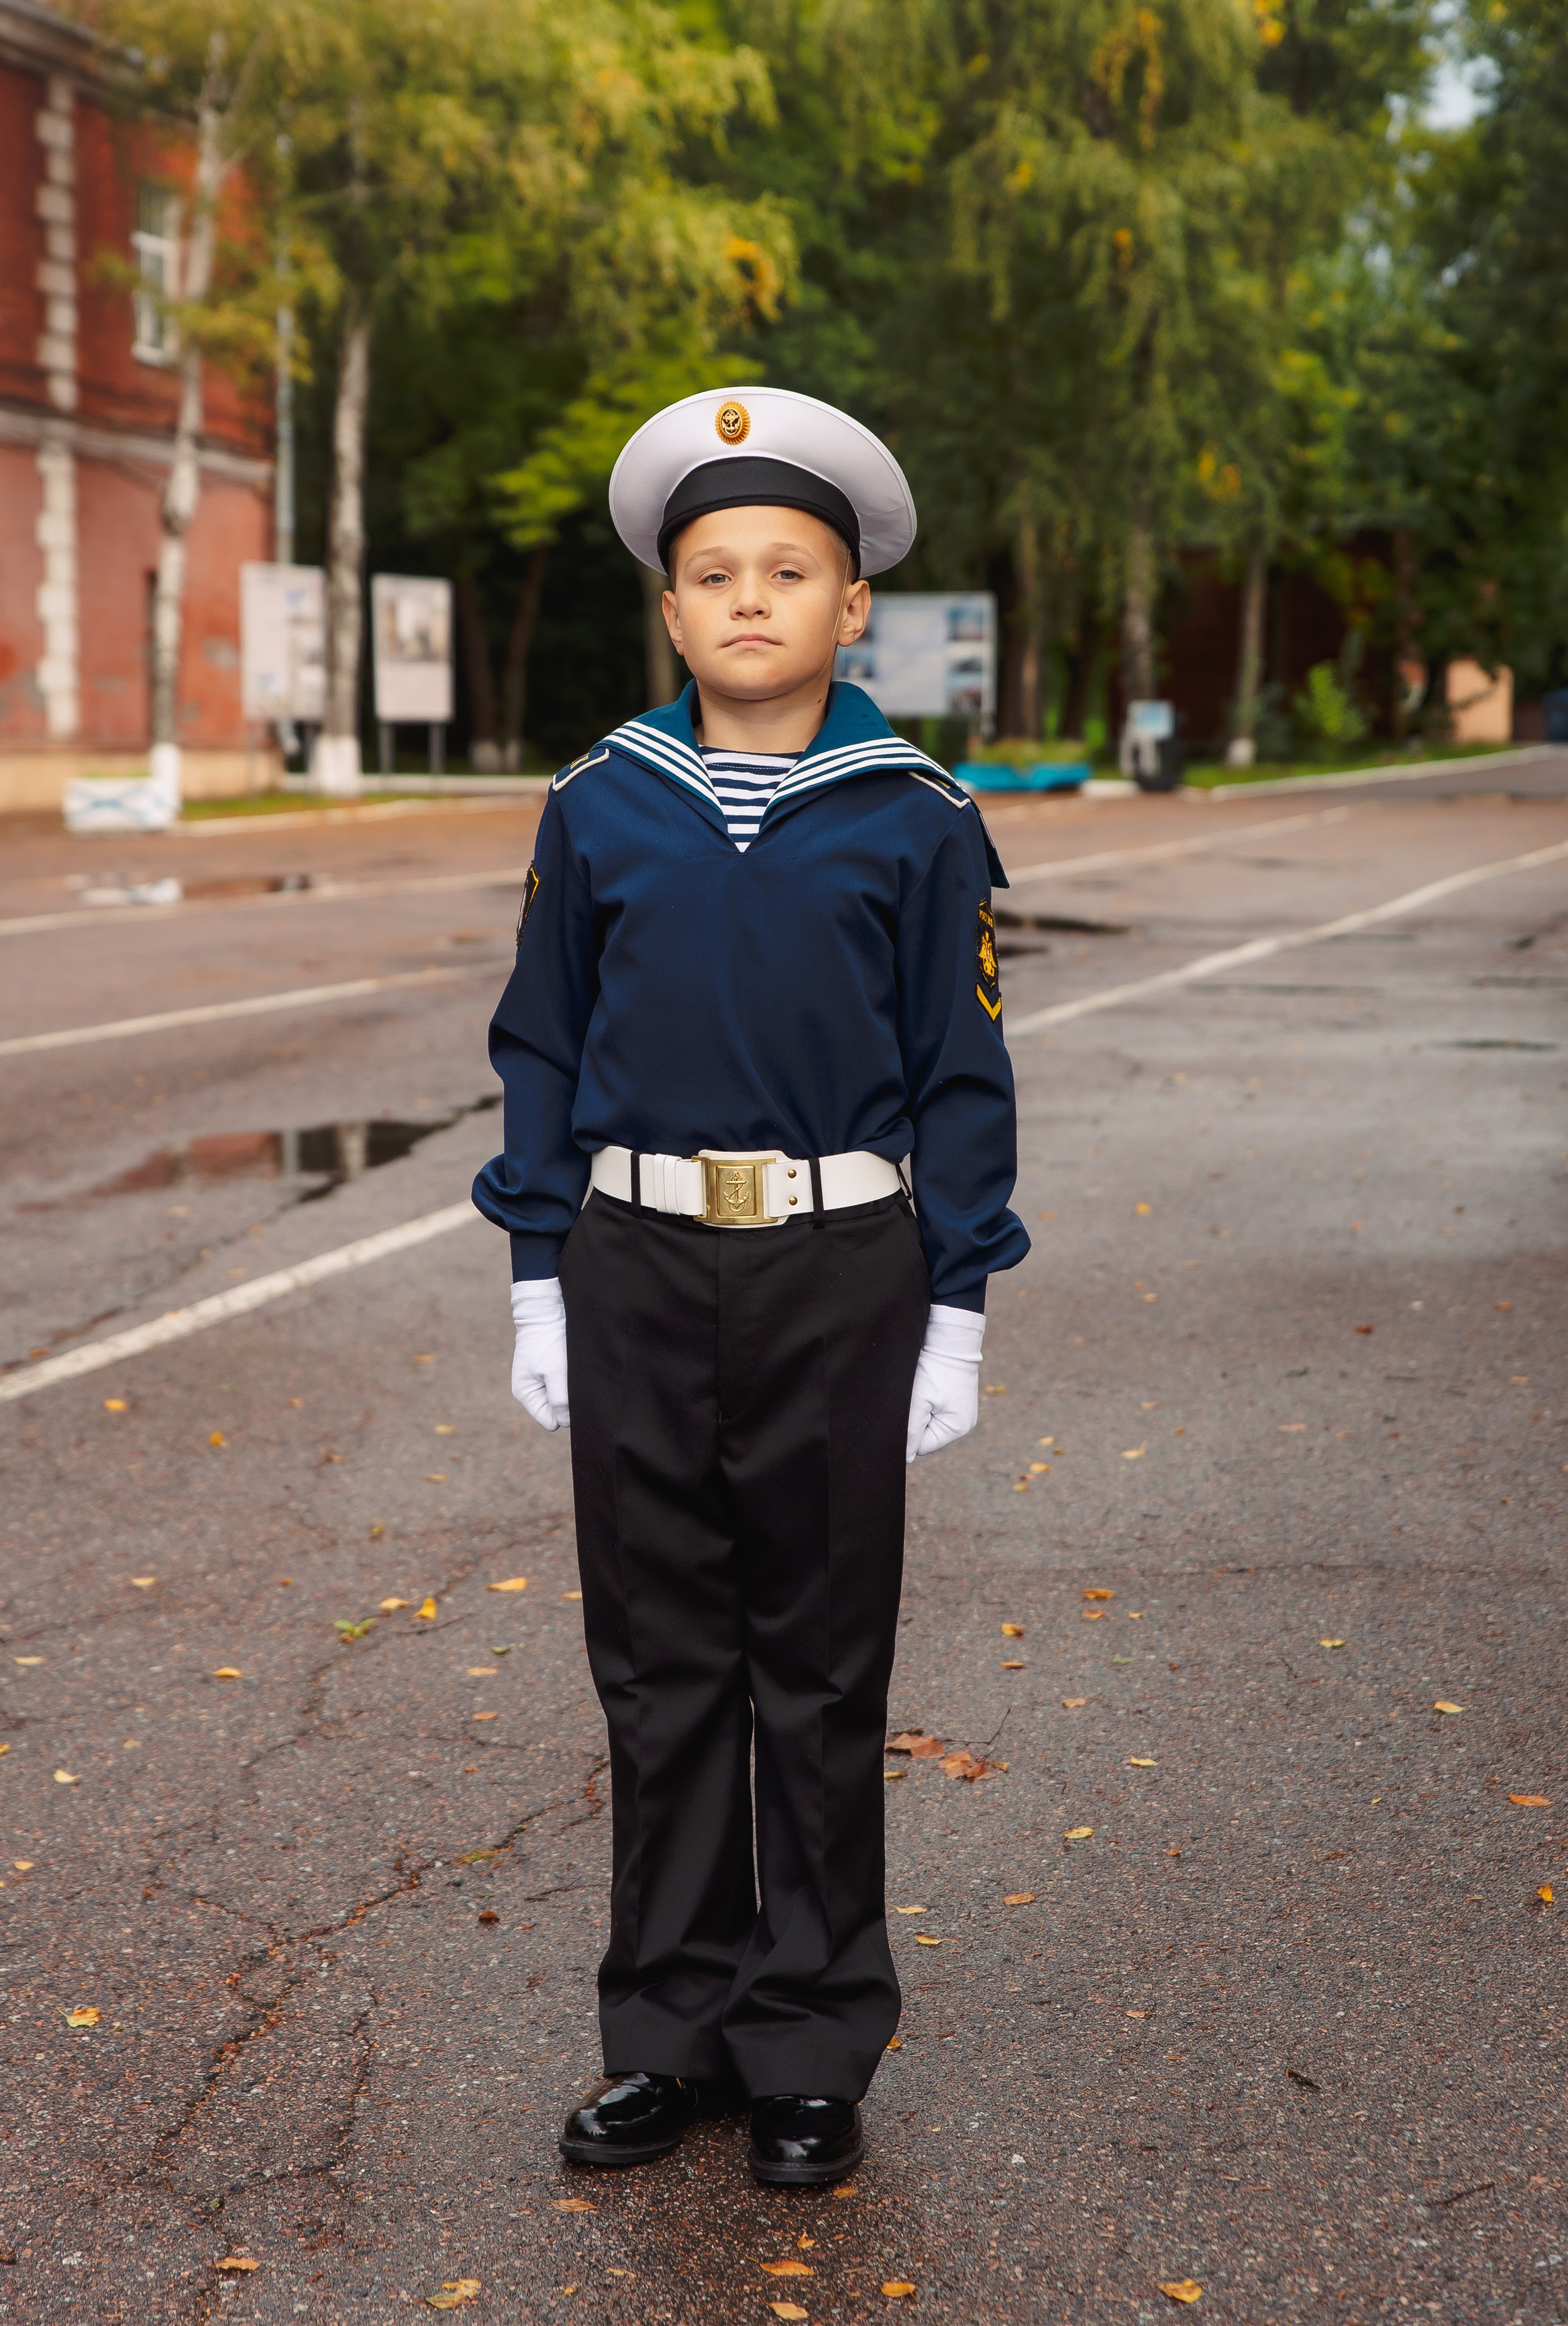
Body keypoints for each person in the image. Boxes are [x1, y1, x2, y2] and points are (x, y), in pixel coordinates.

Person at [472, 385, 1027, 2186]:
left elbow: (963, 1074)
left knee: (821, 1662)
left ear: (852, 606)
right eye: (714, 574)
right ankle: (669, 2031)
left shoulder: (917, 817)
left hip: (839, 1266)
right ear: (671, 609)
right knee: (659, 1664)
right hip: (633, 1260)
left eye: (790, 571)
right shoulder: (600, 805)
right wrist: (538, 1277)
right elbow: (541, 1043)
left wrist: (958, 1305)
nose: (751, 601)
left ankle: (809, 2042)